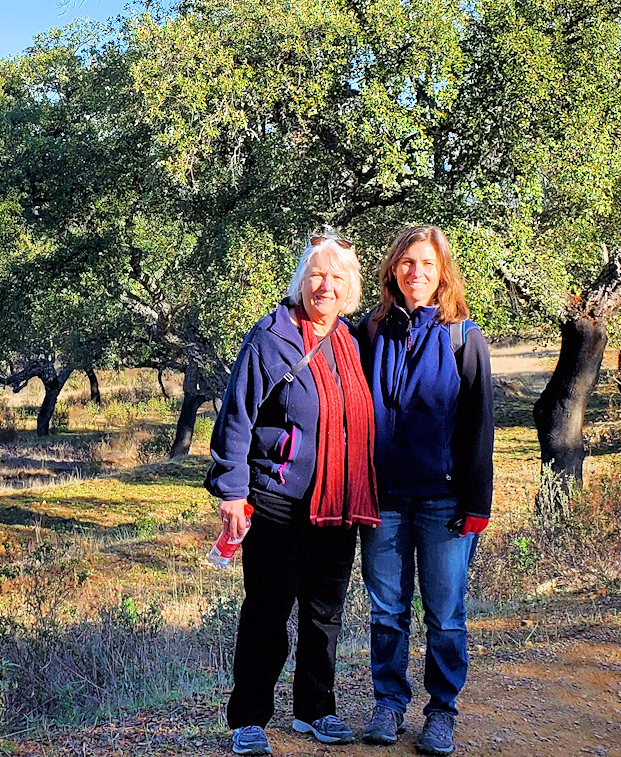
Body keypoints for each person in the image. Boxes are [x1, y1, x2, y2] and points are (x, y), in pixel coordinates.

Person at [206, 234, 380, 755]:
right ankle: (250, 717)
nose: (325, 286)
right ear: (302, 280)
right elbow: (237, 419)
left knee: (324, 613)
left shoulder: (351, 341)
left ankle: (315, 709)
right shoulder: (271, 336)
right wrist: (232, 492)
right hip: (281, 501)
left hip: (339, 503)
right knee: (268, 609)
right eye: (316, 275)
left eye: (336, 278)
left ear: (350, 287)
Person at [355, 226, 495, 756]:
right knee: (386, 610)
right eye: (407, 262)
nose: (416, 272)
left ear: (443, 274)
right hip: (384, 500)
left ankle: (441, 712)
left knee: (445, 613)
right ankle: (388, 704)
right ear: (394, 268)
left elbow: (479, 427)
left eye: (428, 265)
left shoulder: (464, 338)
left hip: (445, 502)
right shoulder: (368, 333)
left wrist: (477, 503)